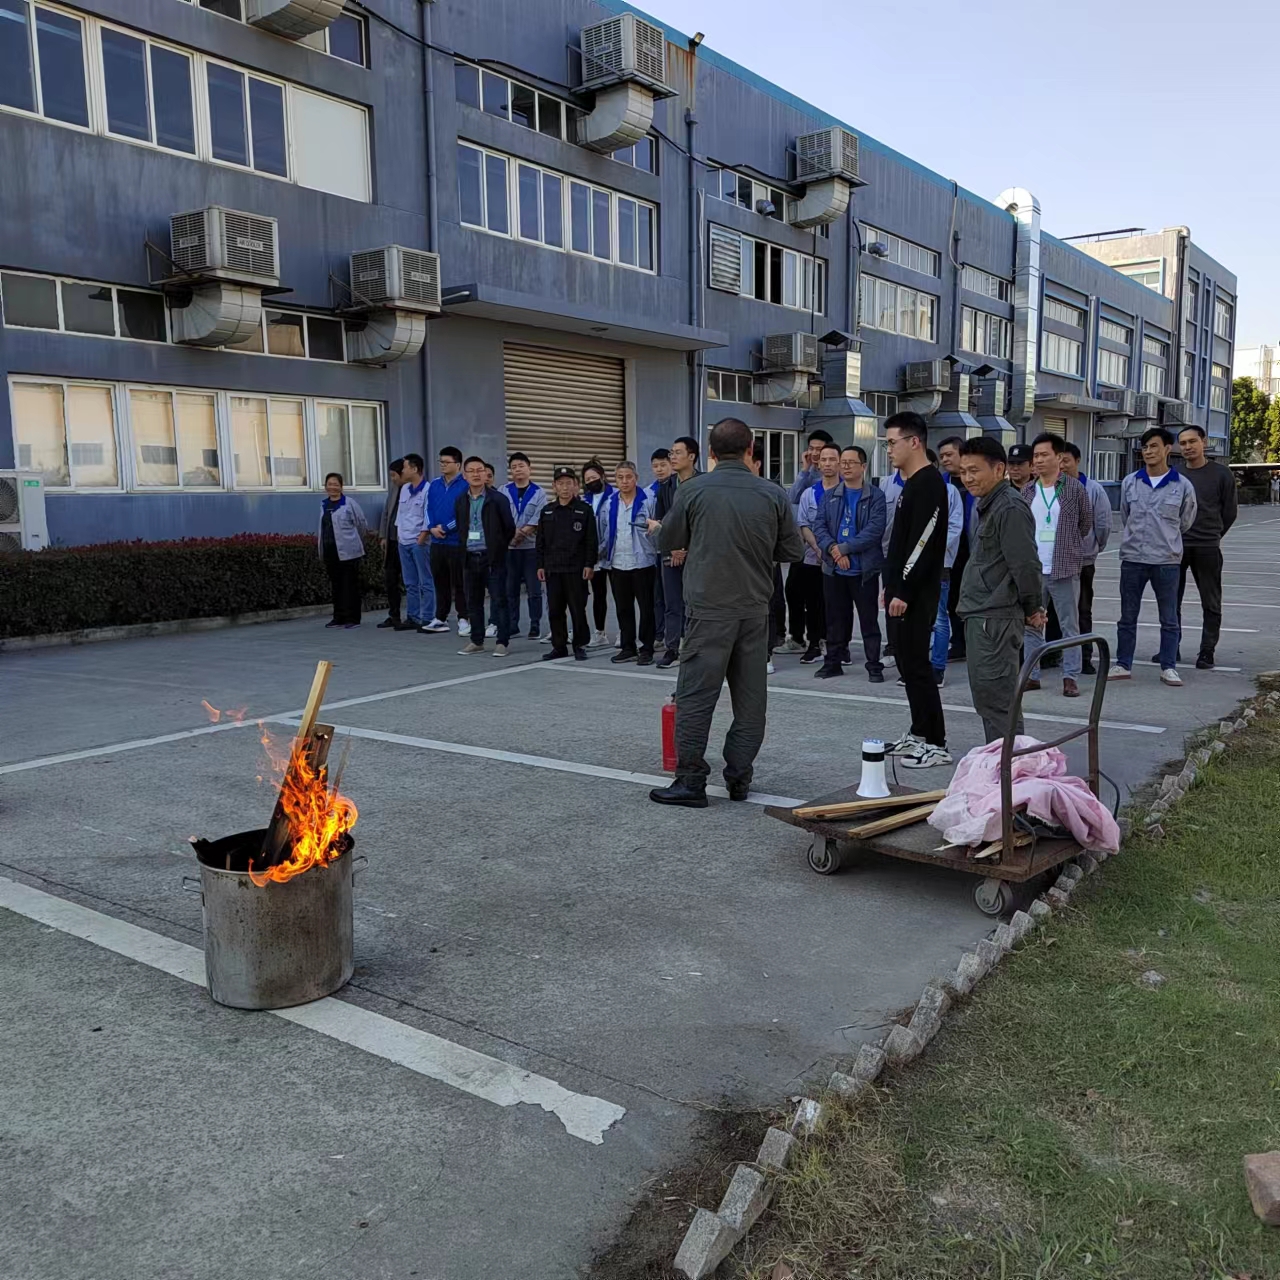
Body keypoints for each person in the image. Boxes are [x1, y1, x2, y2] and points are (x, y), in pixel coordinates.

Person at [649, 418, 803, 808]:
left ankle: (691, 780)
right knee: (751, 701)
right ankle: (739, 777)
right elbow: (792, 552)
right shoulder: (772, 493)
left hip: (707, 611)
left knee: (696, 697)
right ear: (751, 450)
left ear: (712, 453)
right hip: (754, 611)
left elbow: (669, 541)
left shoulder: (693, 490)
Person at [955, 438, 1044, 742]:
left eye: (975, 471)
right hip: (983, 615)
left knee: (998, 704)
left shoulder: (1009, 506)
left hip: (996, 619)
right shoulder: (989, 504)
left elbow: (1026, 564)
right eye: (963, 471)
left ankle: (1008, 775)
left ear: (999, 469)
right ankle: (1002, 768)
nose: (968, 478)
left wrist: (1033, 607)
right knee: (989, 700)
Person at [881, 412, 951, 769]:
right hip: (900, 589)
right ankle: (919, 731)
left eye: (892, 442)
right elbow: (899, 542)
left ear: (914, 442)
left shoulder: (929, 484)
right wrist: (889, 584)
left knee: (919, 666)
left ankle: (936, 742)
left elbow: (922, 544)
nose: (889, 449)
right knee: (907, 665)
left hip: (917, 593)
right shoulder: (910, 483)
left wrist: (903, 590)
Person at [1109, 427, 1198, 685]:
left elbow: (1185, 521)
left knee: (1169, 617)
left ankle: (1168, 666)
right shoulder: (1130, 482)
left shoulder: (1182, 486)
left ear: (1168, 449)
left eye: (1154, 446)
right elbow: (1126, 516)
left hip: (1166, 561)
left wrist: (1164, 538)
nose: (1148, 451)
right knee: (1127, 616)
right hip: (1133, 559)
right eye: (1145, 447)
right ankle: (1123, 663)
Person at [1020, 432, 1092, 698]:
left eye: (1043, 455)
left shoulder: (1074, 489)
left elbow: (1086, 524)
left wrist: (1069, 546)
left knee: (1068, 624)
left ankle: (1070, 676)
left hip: (1063, 567)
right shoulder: (1027, 489)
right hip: (1033, 569)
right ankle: (1032, 674)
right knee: (1032, 623)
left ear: (1059, 458)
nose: (1037, 460)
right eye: (1035, 456)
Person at [812, 445, 887, 682]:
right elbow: (819, 527)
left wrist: (844, 548)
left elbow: (874, 531)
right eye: (842, 462)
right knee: (835, 619)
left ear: (863, 467)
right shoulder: (830, 495)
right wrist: (834, 551)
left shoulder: (875, 496)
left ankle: (874, 665)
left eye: (850, 462)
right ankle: (833, 662)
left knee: (868, 620)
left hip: (863, 570)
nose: (845, 466)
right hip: (834, 569)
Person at [1170, 425, 1237, 670]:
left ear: (1203, 442)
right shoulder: (1174, 473)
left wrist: (1214, 535)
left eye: (1192, 442)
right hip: (1177, 548)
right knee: (1171, 600)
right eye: (1183, 443)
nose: (1187, 447)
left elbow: (1229, 511)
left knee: (1211, 601)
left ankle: (1207, 652)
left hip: (1208, 547)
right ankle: (1171, 648)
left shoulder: (1222, 474)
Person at [597, 462, 658, 664]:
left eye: (628, 477)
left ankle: (647, 648)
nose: (624, 481)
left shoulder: (648, 500)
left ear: (636, 478)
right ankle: (628, 647)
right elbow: (605, 532)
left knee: (647, 608)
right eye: (620, 477)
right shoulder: (610, 503)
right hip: (618, 562)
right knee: (623, 608)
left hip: (643, 562)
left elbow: (657, 528)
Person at [454, 455, 515, 656]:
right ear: (464, 475)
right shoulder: (461, 500)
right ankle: (477, 640)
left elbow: (509, 528)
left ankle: (502, 642)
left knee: (499, 599)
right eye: (471, 471)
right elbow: (461, 528)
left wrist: (497, 548)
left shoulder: (498, 499)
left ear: (486, 474)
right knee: (473, 601)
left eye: (479, 470)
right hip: (470, 557)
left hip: (493, 557)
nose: (476, 474)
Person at [1060, 442, 1111, 674]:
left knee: (1082, 610)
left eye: (1066, 460)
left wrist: (1093, 548)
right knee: (1056, 611)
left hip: (1083, 561)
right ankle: (1056, 655)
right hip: (1054, 562)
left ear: (1077, 461)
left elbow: (1102, 524)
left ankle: (1084, 657)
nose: (1061, 465)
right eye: (1057, 460)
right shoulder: (1049, 487)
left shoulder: (1093, 489)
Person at [537, 466, 598, 661]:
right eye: (560, 483)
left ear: (576, 486)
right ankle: (559, 646)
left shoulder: (584, 510)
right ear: (554, 486)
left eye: (568, 483)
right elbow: (541, 542)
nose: (564, 488)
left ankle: (579, 645)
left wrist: (590, 564)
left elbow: (591, 540)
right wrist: (540, 565)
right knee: (555, 610)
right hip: (553, 568)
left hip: (576, 568)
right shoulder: (547, 511)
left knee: (577, 608)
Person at [649, 436, 700, 668]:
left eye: (678, 452)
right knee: (672, 602)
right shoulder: (666, 486)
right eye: (672, 452)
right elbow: (660, 521)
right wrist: (674, 547)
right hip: (669, 552)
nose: (673, 457)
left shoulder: (703, 484)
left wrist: (685, 547)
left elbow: (703, 522)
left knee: (694, 602)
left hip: (696, 554)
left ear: (692, 456)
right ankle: (672, 648)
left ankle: (693, 646)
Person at [784, 429, 835, 652]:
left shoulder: (832, 478)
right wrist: (804, 470)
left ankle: (822, 637)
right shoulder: (806, 476)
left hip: (825, 547)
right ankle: (797, 637)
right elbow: (792, 498)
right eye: (811, 448)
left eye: (819, 449)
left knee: (819, 597)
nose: (815, 453)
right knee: (793, 590)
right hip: (801, 545)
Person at [793, 444, 840, 664]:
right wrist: (818, 548)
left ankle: (838, 645)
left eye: (832, 459)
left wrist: (836, 550)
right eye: (823, 460)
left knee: (838, 604)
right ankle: (814, 643)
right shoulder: (809, 494)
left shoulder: (848, 490)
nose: (827, 464)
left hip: (842, 557)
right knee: (813, 602)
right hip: (813, 558)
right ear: (818, 463)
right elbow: (803, 523)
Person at [926, 454, 964, 689]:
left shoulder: (949, 491)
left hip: (939, 565)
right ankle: (917, 666)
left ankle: (938, 668)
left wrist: (930, 551)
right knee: (916, 619)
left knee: (940, 619)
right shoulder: (911, 490)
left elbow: (954, 527)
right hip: (913, 567)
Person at [503, 452, 547, 640]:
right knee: (510, 588)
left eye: (521, 465)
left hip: (531, 548)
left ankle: (535, 624)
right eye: (514, 467)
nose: (518, 469)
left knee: (534, 589)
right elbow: (501, 516)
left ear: (529, 468)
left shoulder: (539, 492)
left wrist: (522, 533)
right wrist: (511, 536)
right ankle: (513, 624)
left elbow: (539, 516)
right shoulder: (503, 490)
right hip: (509, 549)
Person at [936, 437, 973, 661]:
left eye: (949, 454)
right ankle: (957, 643)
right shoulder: (940, 484)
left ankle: (973, 643)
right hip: (950, 553)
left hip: (973, 549)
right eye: (941, 456)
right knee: (951, 601)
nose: (945, 459)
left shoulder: (975, 481)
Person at [318, 472, 369, 629]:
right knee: (336, 585)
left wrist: (354, 541)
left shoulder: (349, 503)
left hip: (349, 552)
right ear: (325, 486)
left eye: (335, 484)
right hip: (330, 551)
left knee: (350, 585)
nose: (332, 487)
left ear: (341, 486)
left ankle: (352, 618)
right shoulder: (323, 504)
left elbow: (361, 524)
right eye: (329, 484)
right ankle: (338, 617)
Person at [426, 446, 468, 634]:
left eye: (446, 462)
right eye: (440, 462)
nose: (442, 465)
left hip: (456, 542)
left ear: (457, 464)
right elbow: (428, 509)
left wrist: (446, 528)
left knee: (459, 582)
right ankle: (440, 618)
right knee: (440, 582)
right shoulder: (434, 484)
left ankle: (464, 618)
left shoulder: (465, 485)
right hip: (437, 542)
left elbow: (464, 513)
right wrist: (432, 528)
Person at [395, 453, 437, 633]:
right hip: (403, 540)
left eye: (405, 467)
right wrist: (399, 535)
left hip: (419, 541)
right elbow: (401, 514)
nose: (402, 470)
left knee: (425, 581)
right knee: (410, 582)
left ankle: (428, 617)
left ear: (414, 468)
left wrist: (423, 536)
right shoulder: (404, 489)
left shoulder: (428, 489)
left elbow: (429, 514)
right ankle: (413, 616)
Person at [579, 460, 615, 648]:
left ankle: (624, 633)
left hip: (612, 554)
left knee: (620, 596)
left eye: (594, 477)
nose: (591, 481)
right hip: (594, 558)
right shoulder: (583, 499)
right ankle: (599, 632)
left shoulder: (615, 495)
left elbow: (613, 528)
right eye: (587, 479)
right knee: (598, 595)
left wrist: (600, 549)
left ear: (602, 476)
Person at [376, 458, 405, 629]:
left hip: (407, 542)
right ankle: (393, 615)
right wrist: (383, 536)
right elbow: (386, 513)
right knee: (390, 579)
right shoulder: (394, 489)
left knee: (412, 581)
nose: (392, 479)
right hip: (392, 541)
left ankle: (418, 616)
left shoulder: (413, 489)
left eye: (394, 475)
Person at [649, 449, 672, 651]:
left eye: (663, 465)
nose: (659, 469)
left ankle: (676, 635)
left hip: (674, 549)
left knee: (675, 596)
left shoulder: (676, 487)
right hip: (654, 550)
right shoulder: (648, 491)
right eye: (655, 466)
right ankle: (659, 633)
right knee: (658, 596)